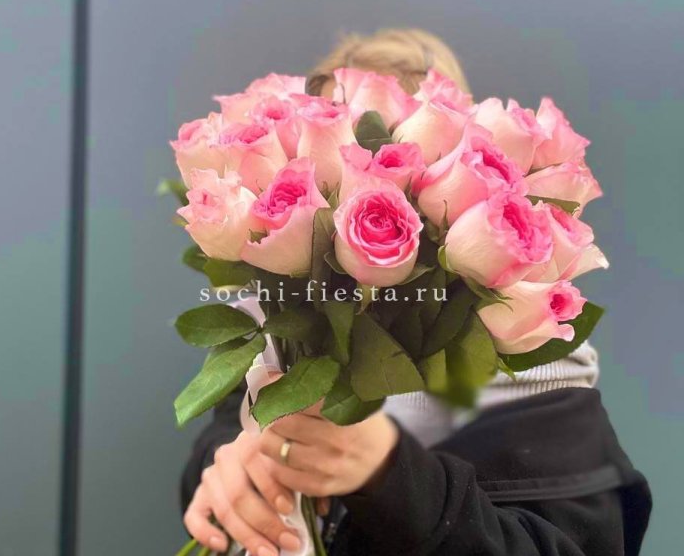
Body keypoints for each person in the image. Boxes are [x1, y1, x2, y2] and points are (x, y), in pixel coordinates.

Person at [180, 29, 652, 556]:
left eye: (393, 157)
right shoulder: (277, 325)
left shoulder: (539, 367)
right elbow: (219, 441)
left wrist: (390, 473)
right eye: (336, 150)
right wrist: (225, 470)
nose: (365, 179)